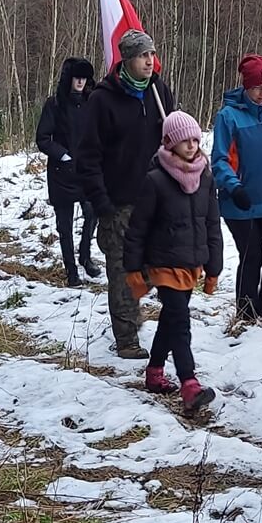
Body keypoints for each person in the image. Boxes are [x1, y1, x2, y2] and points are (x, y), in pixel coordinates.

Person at [76, 29, 179, 360]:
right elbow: (87, 156)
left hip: (156, 199)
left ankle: (153, 320)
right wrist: (101, 203)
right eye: (142, 56)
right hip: (118, 202)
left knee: (154, 266)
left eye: (151, 54)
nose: (150, 61)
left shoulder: (159, 92)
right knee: (123, 272)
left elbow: (174, 137)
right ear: (127, 60)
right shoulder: (102, 100)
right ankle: (127, 338)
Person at [125, 111, 222, 413]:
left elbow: (212, 223)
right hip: (163, 263)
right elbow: (137, 229)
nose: (192, 145)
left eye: (195, 139)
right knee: (180, 321)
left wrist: (213, 268)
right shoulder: (155, 180)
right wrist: (134, 272)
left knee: (171, 317)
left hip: (190, 263)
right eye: (184, 140)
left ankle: (154, 372)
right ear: (169, 142)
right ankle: (189, 383)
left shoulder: (205, 176)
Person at [212, 54, 262, 332]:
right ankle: (245, 313)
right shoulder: (228, 116)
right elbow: (219, 159)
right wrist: (234, 187)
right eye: (258, 88)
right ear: (246, 87)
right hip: (240, 202)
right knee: (252, 255)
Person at [35, 58, 100, 287]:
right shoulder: (54, 104)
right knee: (64, 225)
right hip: (61, 172)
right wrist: (62, 154)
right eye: (77, 77)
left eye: (84, 77)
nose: (81, 81)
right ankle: (71, 270)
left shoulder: (92, 102)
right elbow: (42, 138)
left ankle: (85, 255)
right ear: (69, 79)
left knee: (92, 212)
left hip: (86, 171)